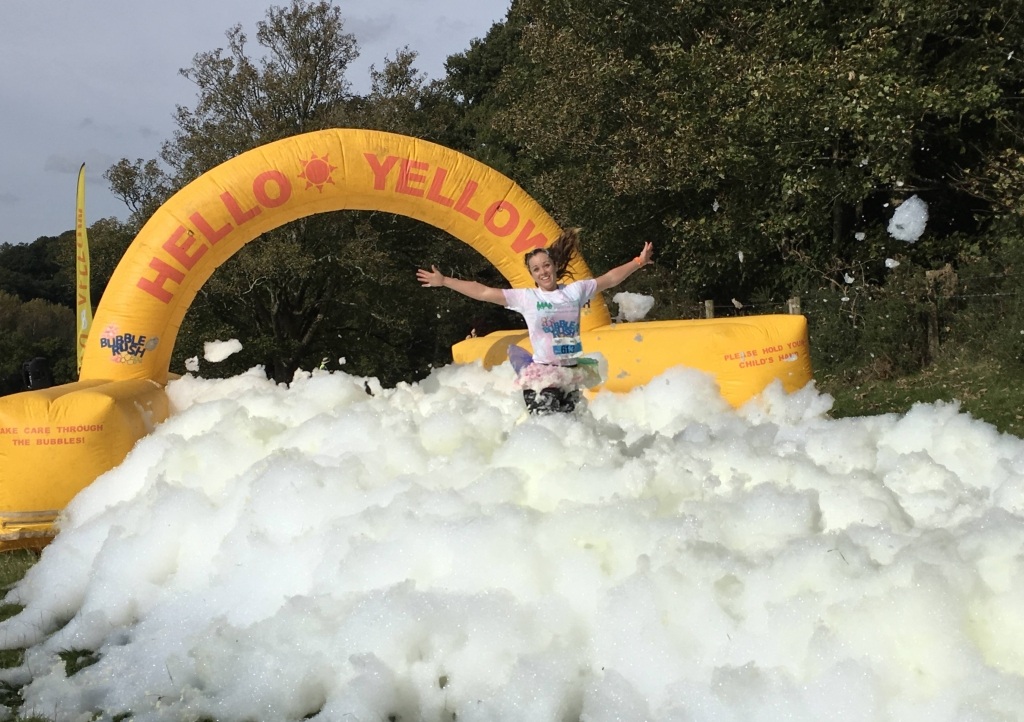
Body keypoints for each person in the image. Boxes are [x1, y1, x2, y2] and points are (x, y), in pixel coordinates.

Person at [417, 228, 653, 414]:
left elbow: (609, 279)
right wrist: (445, 281)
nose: (543, 272)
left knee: (571, 438)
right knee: (550, 436)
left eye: (546, 265)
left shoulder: (574, 292)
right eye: (536, 269)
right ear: (532, 275)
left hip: (570, 375)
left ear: (555, 266)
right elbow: (483, 292)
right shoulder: (527, 298)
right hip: (542, 379)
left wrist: (638, 262)